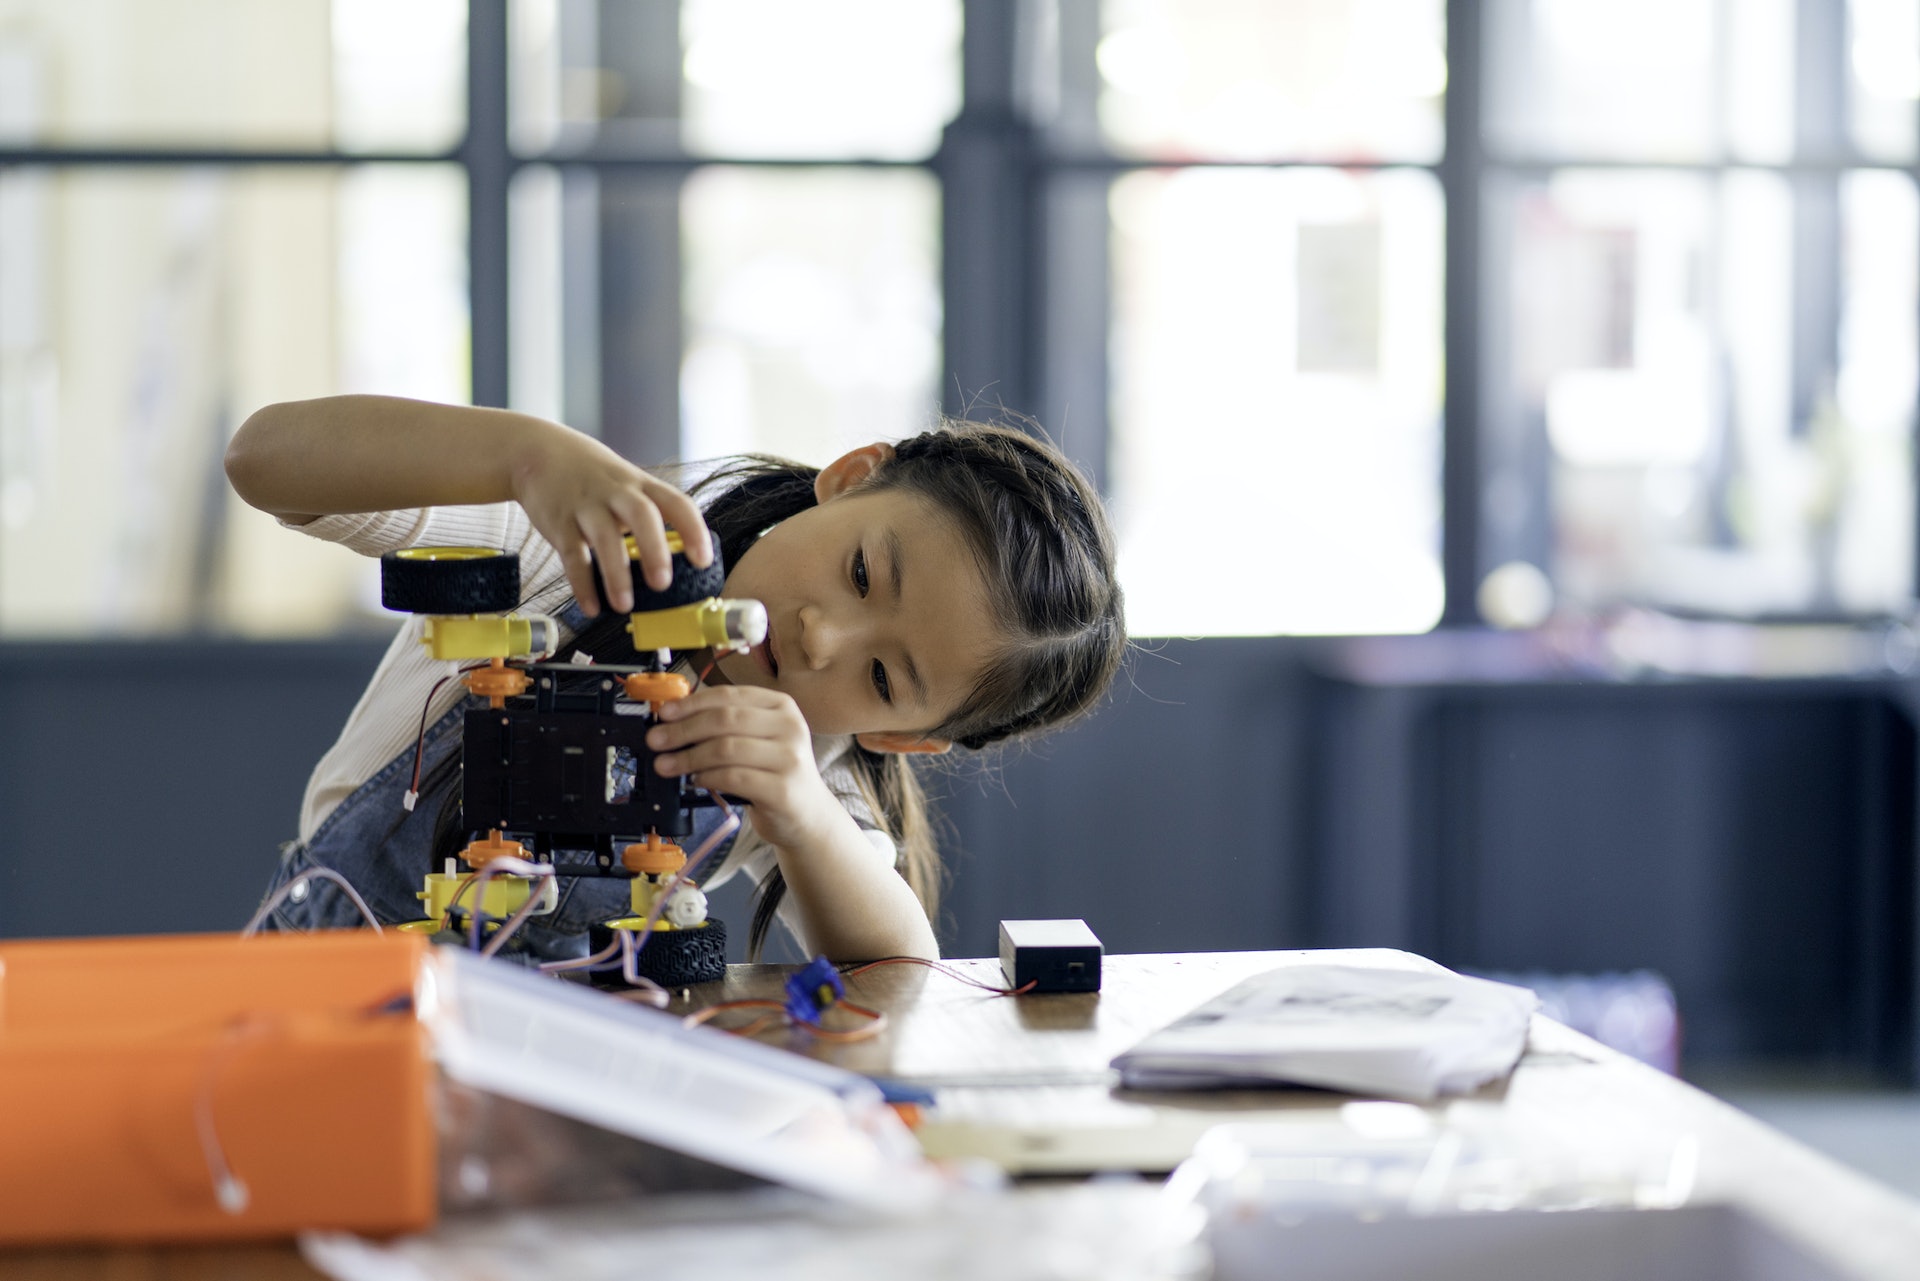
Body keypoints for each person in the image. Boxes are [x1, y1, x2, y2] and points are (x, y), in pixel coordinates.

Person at [224, 395, 1126, 963]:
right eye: (859, 573)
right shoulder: (573, 546)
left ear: (902, 737)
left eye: (884, 676)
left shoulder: (808, 756)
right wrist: (524, 457)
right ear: (851, 478)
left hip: (549, 1055)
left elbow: (902, 956)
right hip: (327, 983)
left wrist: (804, 814)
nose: (822, 637)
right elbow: (262, 461)